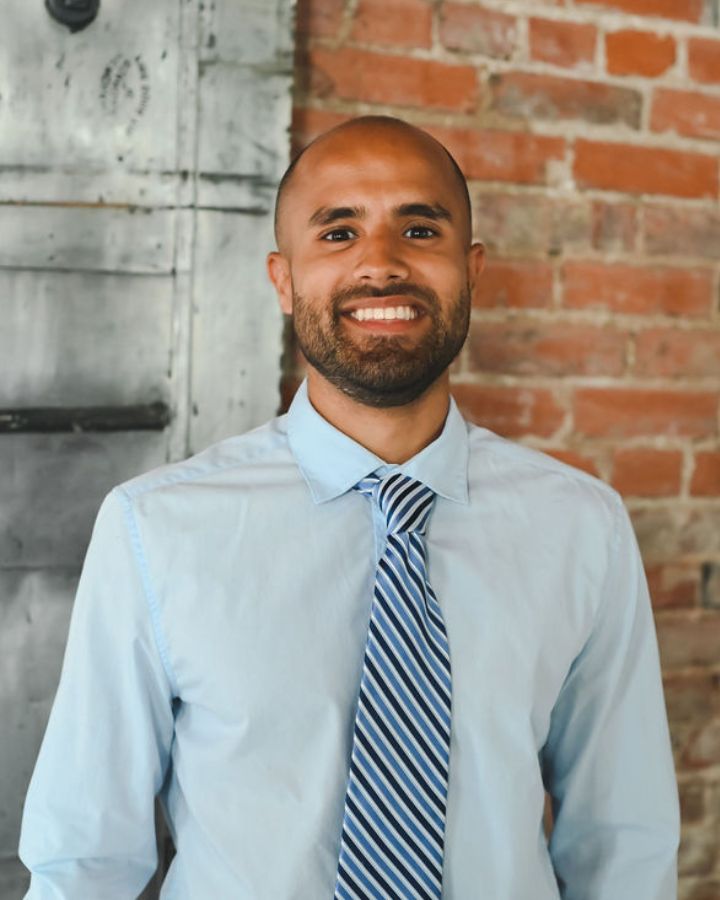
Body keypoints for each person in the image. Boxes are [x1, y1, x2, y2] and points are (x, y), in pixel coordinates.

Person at [19, 116, 679, 899]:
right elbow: (85, 861)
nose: (382, 263)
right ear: (283, 279)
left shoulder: (582, 530)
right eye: (338, 233)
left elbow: (623, 845)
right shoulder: (155, 529)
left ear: (471, 270)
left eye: (420, 229)